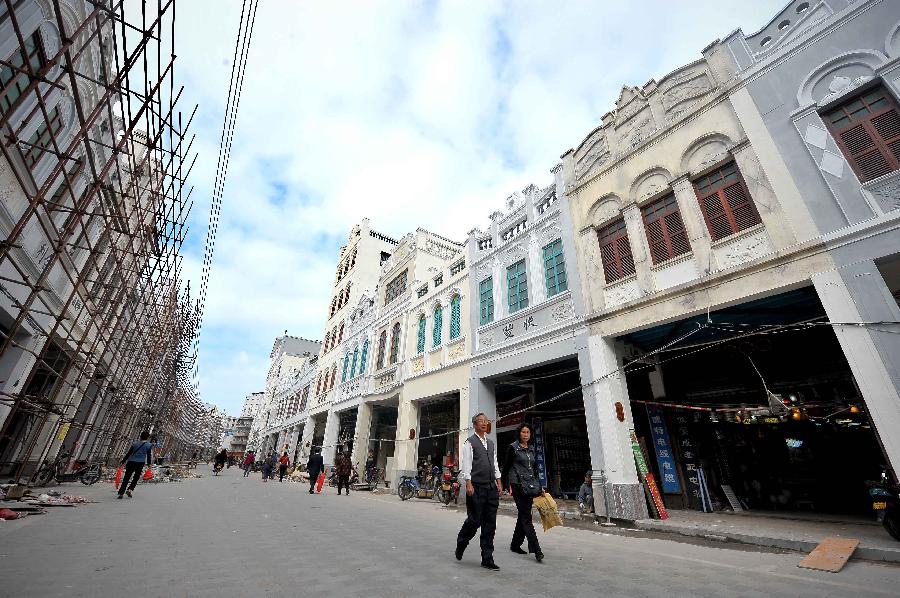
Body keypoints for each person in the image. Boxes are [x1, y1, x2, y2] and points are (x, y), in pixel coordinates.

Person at [455, 413, 502, 571]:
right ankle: (462, 541)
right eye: (480, 421)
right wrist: (468, 483)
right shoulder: (470, 442)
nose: (484, 423)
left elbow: (494, 464)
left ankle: (487, 558)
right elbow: (467, 464)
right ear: (474, 424)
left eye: (485, 421)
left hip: (491, 487)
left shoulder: (490, 443)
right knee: (475, 521)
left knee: (490, 524)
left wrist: (499, 481)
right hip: (475, 486)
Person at [501, 422, 544, 563]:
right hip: (518, 485)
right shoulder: (513, 448)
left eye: (528, 432)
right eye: (523, 432)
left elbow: (535, 470)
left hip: (530, 486)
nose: (526, 434)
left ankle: (515, 545)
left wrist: (540, 486)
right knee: (526, 516)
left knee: (523, 515)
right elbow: (506, 467)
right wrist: (502, 484)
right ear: (519, 433)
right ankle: (537, 549)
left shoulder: (531, 449)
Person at [118, 431, 153, 499]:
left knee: (126, 478)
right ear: (148, 437)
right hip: (140, 463)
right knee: (136, 478)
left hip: (131, 462)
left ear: (140, 436)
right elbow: (149, 456)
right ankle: (130, 489)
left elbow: (129, 453)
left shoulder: (135, 444)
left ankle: (121, 493)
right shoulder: (149, 445)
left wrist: (123, 461)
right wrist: (149, 464)